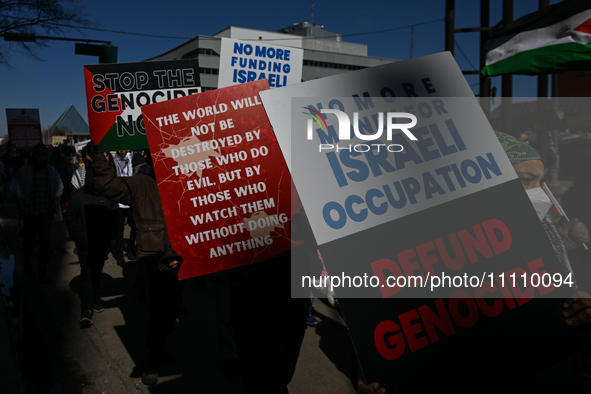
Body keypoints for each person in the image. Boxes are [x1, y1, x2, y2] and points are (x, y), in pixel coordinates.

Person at [85, 142, 184, 386]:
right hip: (156, 257)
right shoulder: (142, 183)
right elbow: (107, 186)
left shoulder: (187, 179)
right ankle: (152, 357)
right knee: (161, 308)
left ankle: (161, 345)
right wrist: (100, 158)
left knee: (174, 310)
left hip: (186, 258)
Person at [64, 146, 119, 327]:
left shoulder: (107, 197)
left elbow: (114, 217)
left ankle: (95, 298)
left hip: (101, 244)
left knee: (97, 273)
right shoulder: (79, 196)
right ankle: (86, 309)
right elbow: (71, 216)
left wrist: (110, 239)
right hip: (85, 244)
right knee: (86, 275)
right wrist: (79, 238)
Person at [10, 143, 63, 283]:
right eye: (38, 155)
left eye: (43, 156)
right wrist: (23, 209)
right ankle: (28, 268)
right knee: (28, 244)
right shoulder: (24, 171)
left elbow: (59, 188)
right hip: (30, 214)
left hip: (45, 214)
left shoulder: (51, 171)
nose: (41, 159)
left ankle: (42, 271)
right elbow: (16, 189)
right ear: (34, 156)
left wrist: (54, 205)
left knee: (45, 245)